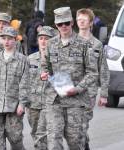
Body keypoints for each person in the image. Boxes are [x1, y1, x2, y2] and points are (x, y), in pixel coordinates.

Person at [40, 7, 98, 150]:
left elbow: (92, 73)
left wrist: (77, 89)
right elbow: (44, 66)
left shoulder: (84, 45)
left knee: (75, 142)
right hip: (55, 100)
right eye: (60, 24)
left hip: (76, 102)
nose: (63, 26)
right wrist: (44, 74)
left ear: (72, 22)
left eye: (66, 23)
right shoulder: (51, 44)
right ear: (56, 25)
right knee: (54, 141)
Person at [0, 26, 30, 150]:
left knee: (15, 138)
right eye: (4, 38)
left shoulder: (23, 60)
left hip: (13, 105)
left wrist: (22, 104)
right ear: (0, 40)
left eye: (10, 39)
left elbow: (25, 83)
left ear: (15, 40)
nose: (7, 42)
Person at [76, 8, 110, 150]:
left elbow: (103, 69)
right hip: (69, 90)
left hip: (88, 93)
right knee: (71, 127)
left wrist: (103, 94)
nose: (81, 22)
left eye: (84, 20)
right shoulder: (69, 41)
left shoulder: (97, 45)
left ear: (91, 23)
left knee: (82, 125)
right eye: (79, 19)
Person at [28, 26, 56, 150]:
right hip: (33, 104)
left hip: (50, 103)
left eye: (46, 39)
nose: (43, 41)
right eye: (41, 38)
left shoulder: (57, 59)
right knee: (35, 134)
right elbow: (24, 82)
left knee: (44, 134)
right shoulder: (30, 59)